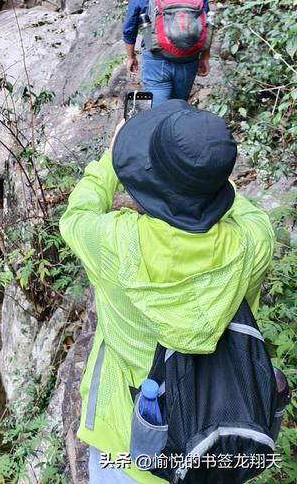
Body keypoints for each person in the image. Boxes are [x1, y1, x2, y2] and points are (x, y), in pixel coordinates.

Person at [59, 101, 275, 483]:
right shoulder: (254, 241)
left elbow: (75, 217)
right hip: (215, 441)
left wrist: (111, 159)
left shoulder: (117, 244)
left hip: (127, 447)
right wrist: (203, 175)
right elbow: (243, 208)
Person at [123, 0, 210, 107]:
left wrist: (130, 57)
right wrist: (205, 57)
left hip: (157, 58)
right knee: (177, 109)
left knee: (159, 113)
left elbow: (130, 27)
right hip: (188, 58)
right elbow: (207, 23)